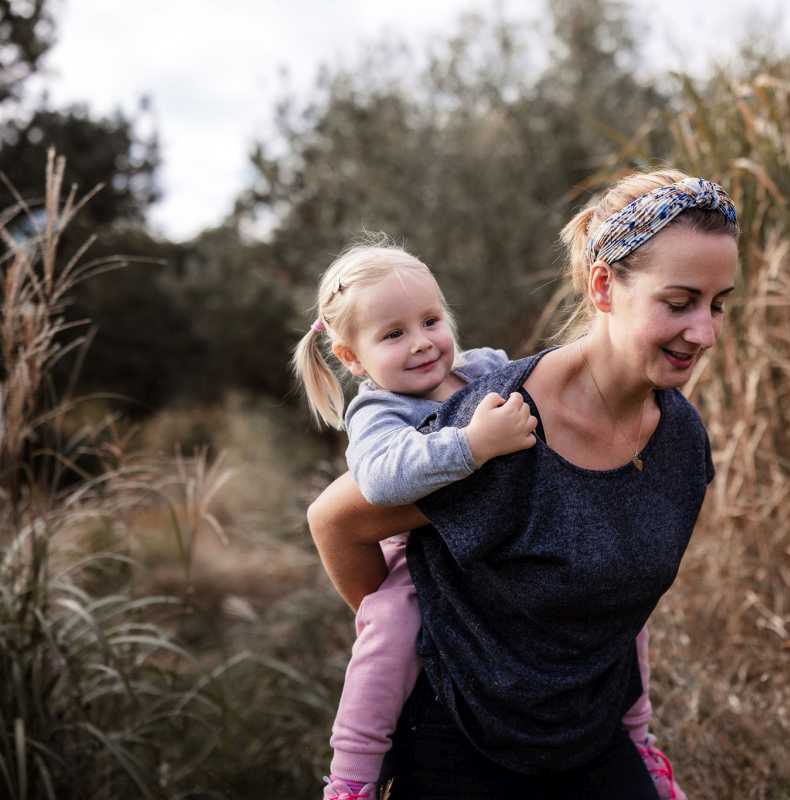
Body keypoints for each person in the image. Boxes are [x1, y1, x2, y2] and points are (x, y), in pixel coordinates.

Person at [307, 170, 737, 799]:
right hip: (464, 740)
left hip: (592, 735)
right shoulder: (501, 426)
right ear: (603, 287)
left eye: (718, 304)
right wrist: (430, 629)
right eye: (678, 303)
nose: (703, 332)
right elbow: (334, 522)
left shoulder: (681, 442)